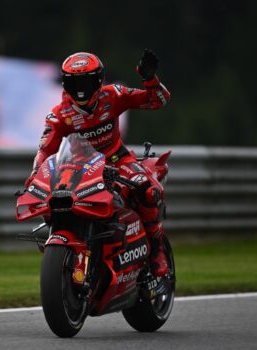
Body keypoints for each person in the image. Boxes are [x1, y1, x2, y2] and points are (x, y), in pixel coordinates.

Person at [25, 50, 170, 277]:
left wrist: (150, 79)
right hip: (79, 169)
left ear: (99, 80)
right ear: (65, 83)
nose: (81, 89)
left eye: (87, 81)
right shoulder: (59, 115)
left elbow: (157, 101)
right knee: (53, 203)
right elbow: (44, 151)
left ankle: (157, 251)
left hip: (117, 160)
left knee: (148, 191)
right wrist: (34, 178)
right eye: (75, 82)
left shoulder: (114, 95)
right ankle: (64, 252)